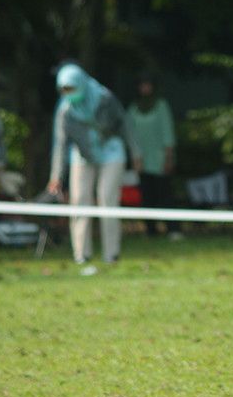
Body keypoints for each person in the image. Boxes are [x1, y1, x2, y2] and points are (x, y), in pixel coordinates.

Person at [47, 64, 143, 268]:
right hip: (82, 154)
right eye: (64, 90)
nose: (68, 93)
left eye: (71, 89)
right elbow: (61, 143)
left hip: (111, 150)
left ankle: (111, 254)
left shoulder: (104, 98)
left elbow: (125, 123)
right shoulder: (65, 109)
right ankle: (82, 254)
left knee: (107, 198)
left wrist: (136, 153)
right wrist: (56, 175)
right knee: (79, 200)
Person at [127, 70, 182, 239]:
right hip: (142, 162)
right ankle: (151, 231)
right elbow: (130, 135)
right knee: (147, 197)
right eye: (142, 85)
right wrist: (135, 158)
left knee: (165, 197)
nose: (144, 88)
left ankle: (173, 229)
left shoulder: (161, 106)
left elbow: (167, 134)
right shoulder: (134, 108)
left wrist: (168, 158)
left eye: (147, 85)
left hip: (159, 160)